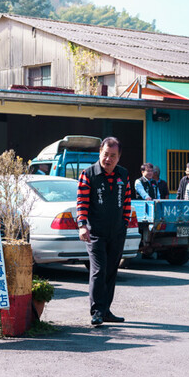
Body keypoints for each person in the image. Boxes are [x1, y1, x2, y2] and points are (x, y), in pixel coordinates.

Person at [76, 137, 132, 327]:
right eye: (106, 154)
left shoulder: (123, 175)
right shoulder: (88, 174)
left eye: (113, 156)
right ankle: (97, 311)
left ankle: (106, 310)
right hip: (95, 232)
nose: (108, 159)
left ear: (119, 157)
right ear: (100, 152)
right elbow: (82, 202)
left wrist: (124, 224)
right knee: (99, 270)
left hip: (117, 232)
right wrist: (82, 225)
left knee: (111, 271)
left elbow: (127, 202)